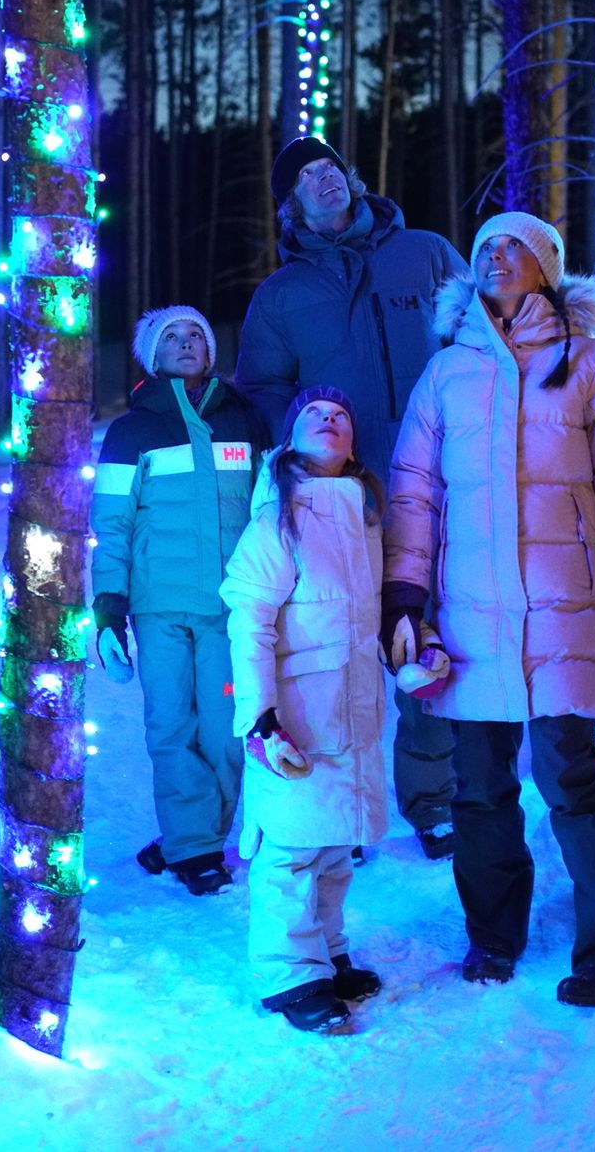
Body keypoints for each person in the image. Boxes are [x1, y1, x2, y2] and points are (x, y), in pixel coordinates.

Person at [383, 211, 595, 1008]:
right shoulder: (446, 374)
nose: (496, 258)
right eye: (483, 249)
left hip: (561, 608)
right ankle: (493, 937)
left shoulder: (590, 365)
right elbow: (413, 495)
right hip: (470, 618)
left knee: (570, 775)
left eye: (514, 247)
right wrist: (405, 598)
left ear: (547, 266)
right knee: (476, 786)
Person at [235, 135, 468, 860]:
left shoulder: (424, 253)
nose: (323, 179)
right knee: (338, 650)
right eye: (306, 176)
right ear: (292, 202)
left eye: (330, 167)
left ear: (352, 177)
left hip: (437, 477)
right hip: (343, 498)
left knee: (425, 635)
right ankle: (343, 801)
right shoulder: (282, 295)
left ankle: (433, 799)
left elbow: (479, 334)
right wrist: (308, 444)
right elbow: (263, 386)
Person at [220, 386, 388, 1035]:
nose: (331, 420)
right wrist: (260, 717)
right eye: (315, 414)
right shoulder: (276, 520)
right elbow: (250, 621)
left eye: (343, 415)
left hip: (353, 707)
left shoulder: (367, 519)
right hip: (296, 716)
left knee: (333, 843)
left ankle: (326, 951)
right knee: (290, 845)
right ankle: (290, 974)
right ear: (290, 441)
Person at [89, 305, 267, 896]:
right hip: (159, 607)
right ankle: (195, 847)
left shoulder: (243, 418)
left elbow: (269, 513)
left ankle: (190, 839)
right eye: (172, 336)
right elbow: (112, 525)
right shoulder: (131, 431)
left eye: (197, 334)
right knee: (171, 725)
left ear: (211, 350)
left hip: (229, 608)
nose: (187, 343)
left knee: (226, 728)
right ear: (151, 354)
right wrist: (109, 609)